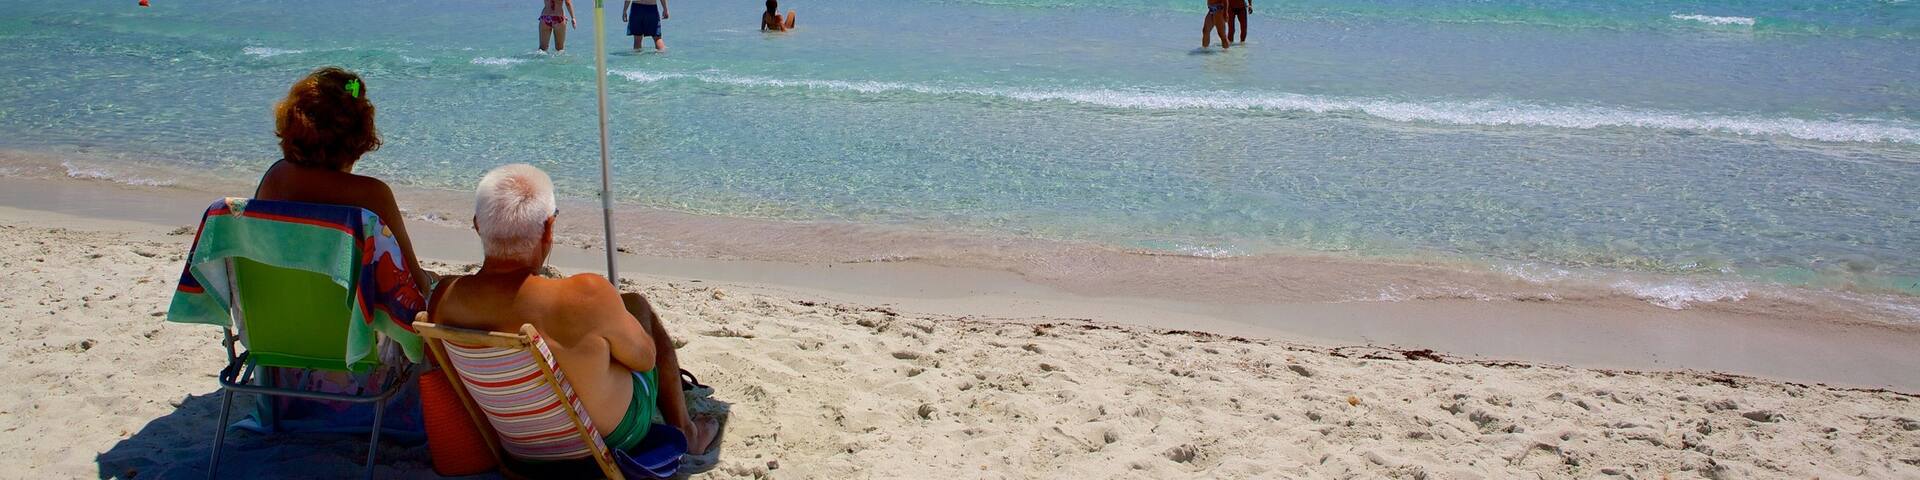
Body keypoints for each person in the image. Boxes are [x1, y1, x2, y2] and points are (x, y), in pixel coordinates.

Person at [431, 164, 718, 456]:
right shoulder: (587, 294)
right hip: (606, 440)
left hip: (518, 447)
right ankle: (686, 431)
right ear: (548, 228)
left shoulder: (444, 297)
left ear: (478, 225)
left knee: (615, 317)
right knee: (637, 308)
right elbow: (645, 359)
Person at [253, 66, 436, 293]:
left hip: (271, 323)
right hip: (350, 327)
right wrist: (433, 281)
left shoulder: (275, 178)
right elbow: (413, 283)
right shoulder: (372, 195)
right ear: (360, 134)